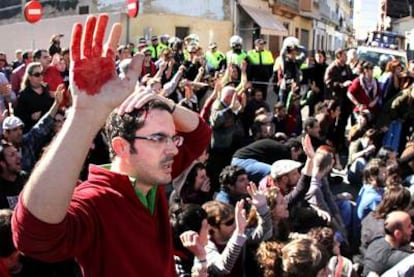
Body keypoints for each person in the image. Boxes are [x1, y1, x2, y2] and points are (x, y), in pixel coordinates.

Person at [11, 14, 211, 277]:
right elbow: (33, 235)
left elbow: (200, 135)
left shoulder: (150, 175)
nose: (173, 148)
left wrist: (166, 104)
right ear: (121, 147)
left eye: (171, 137)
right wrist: (85, 114)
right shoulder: (96, 200)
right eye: (158, 138)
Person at [362, 211, 413, 276]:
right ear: (398, 234)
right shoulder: (394, 257)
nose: (412, 227)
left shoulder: (376, 242)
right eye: (409, 226)